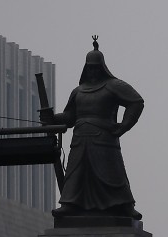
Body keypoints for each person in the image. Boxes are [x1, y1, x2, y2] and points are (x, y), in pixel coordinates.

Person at [41, 36, 144, 220]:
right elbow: (70, 118)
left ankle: (124, 205)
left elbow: (136, 102)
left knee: (112, 173)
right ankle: (70, 204)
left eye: (96, 67)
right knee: (76, 173)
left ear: (102, 67)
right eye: (90, 67)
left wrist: (124, 126)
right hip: (80, 138)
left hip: (104, 138)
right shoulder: (78, 91)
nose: (93, 71)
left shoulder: (113, 86)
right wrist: (53, 119)